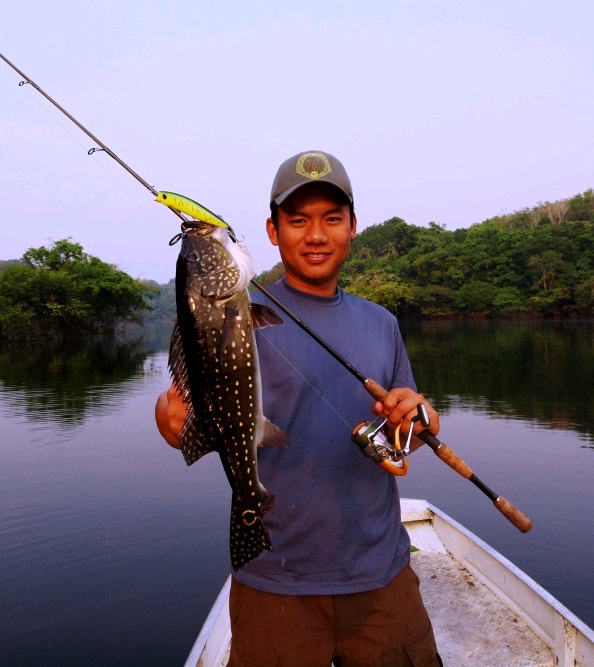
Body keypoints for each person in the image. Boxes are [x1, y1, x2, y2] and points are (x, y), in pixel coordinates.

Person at [156, 150, 443, 666]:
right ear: (271, 230)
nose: (316, 234)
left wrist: (419, 418)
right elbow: (181, 419)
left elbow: (407, 436)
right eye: (298, 220)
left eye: (332, 219)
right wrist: (171, 420)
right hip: (273, 577)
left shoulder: (382, 323)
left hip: (381, 574)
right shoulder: (233, 318)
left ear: (354, 227)